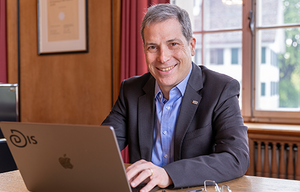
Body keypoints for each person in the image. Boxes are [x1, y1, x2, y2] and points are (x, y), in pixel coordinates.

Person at [102, 3, 249, 192]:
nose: (163, 57)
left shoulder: (221, 89)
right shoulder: (131, 89)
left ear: (191, 46)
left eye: (173, 44)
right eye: (153, 47)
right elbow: (102, 147)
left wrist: (168, 174)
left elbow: (236, 158)